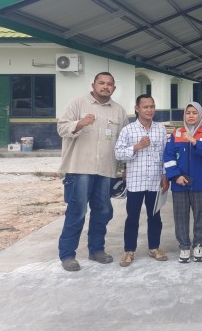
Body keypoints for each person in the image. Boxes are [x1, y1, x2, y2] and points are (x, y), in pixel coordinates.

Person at [56, 72, 128, 271]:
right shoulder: (78, 104)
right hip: (79, 168)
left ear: (114, 88)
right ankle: (67, 255)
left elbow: (123, 142)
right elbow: (61, 129)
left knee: (102, 212)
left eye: (109, 84)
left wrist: (123, 168)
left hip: (106, 170)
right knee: (77, 212)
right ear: (93, 85)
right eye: (101, 83)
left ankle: (96, 250)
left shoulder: (119, 111)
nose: (105, 87)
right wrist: (80, 123)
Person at [114, 94, 170, 267]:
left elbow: (165, 154)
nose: (149, 110)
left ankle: (154, 248)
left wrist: (165, 175)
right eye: (145, 107)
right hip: (135, 182)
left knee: (155, 217)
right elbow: (118, 153)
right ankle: (129, 251)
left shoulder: (160, 130)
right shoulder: (128, 130)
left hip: (155, 180)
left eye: (152, 106)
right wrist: (137, 146)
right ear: (137, 109)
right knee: (132, 217)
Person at [163, 102, 202, 263]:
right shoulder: (176, 133)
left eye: (194, 112)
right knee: (180, 216)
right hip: (180, 183)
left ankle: (198, 245)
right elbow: (168, 157)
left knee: (201, 215)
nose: (191, 115)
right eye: (188, 113)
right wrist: (175, 176)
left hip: (201, 183)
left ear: (200, 115)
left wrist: (194, 141)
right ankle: (184, 247)